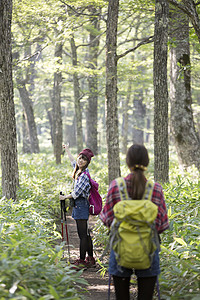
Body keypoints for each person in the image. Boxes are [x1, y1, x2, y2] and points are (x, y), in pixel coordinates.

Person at [100, 144, 169, 300]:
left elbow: (107, 219)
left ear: (127, 162)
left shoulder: (116, 186)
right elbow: (162, 224)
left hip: (120, 250)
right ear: (147, 162)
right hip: (148, 251)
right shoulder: (155, 189)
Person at [59, 144, 95, 269]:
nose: (80, 160)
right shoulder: (79, 170)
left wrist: (64, 198)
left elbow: (76, 193)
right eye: (80, 157)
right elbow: (72, 161)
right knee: (85, 233)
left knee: (82, 235)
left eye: (84, 159)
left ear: (87, 162)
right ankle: (90, 258)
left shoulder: (84, 175)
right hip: (79, 206)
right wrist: (67, 149)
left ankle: (82, 260)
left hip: (81, 205)